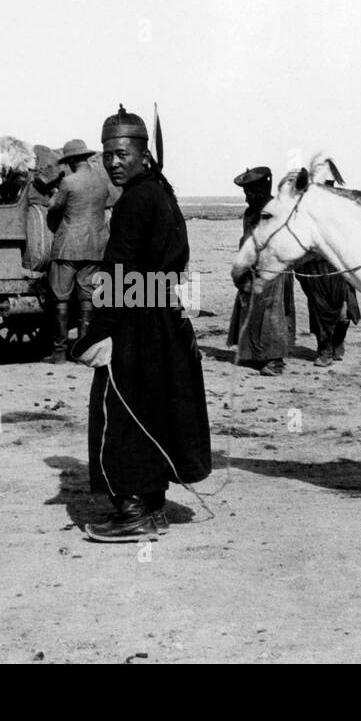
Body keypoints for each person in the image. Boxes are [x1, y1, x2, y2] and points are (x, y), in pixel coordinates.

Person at [70, 106, 211, 542]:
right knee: (153, 411)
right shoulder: (159, 192)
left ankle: (134, 511)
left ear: (143, 153)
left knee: (121, 417)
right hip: (162, 321)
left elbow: (120, 274)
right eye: (108, 154)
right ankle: (151, 507)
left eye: (122, 153)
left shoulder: (135, 199)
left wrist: (96, 333)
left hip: (133, 325)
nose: (114, 161)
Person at [45, 139, 111, 362]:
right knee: (87, 297)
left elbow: (54, 207)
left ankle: (60, 351)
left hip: (68, 246)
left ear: (72, 161)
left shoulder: (69, 182)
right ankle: (83, 349)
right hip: (95, 245)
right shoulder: (102, 181)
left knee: (61, 297)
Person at [227, 166, 295, 375]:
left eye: (252, 191)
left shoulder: (276, 210)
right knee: (252, 310)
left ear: (264, 187)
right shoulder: (250, 213)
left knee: (271, 315)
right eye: (246, 191)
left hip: (273, 271)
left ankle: (275, 361)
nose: (248, 196)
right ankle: (256, 355)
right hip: (251, 269)